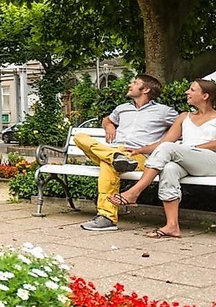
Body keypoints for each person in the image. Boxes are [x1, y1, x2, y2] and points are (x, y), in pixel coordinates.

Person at [110, 79, 216, 238]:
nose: (187, 92)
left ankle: (135, 191)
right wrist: (141, 150)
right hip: (188, 161)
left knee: (170, 148)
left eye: (192, 89)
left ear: (205, 96)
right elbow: (164, 142)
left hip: (213, 163)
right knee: (169, 169)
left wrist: (188, 150)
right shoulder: (184, 117)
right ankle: (172, 225)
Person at [73, 75, 179, 231]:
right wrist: (109, 125)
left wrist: (153, 146)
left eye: (135, 83)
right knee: (79, 137)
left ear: (146, 89)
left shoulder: (164, 112)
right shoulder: (122, 108)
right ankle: (115, 158)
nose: (130, 85)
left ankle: (107, 216)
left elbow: (183, 126)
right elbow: (106, 120)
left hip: (139, 156)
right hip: (116, 150)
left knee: (107, 164)